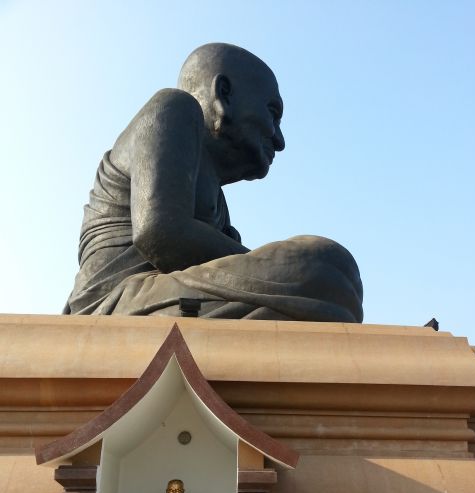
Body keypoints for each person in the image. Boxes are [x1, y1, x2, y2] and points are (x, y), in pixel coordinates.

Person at [64, 42, 363, 322]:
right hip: (115, 304)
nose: (279, 139)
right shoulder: (173, 108)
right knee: (321, 266)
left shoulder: (217, 199)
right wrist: (281, 267)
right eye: (272, 114)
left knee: (334, 278)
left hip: (164, 292)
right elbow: (160, 233)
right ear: (224, 93)